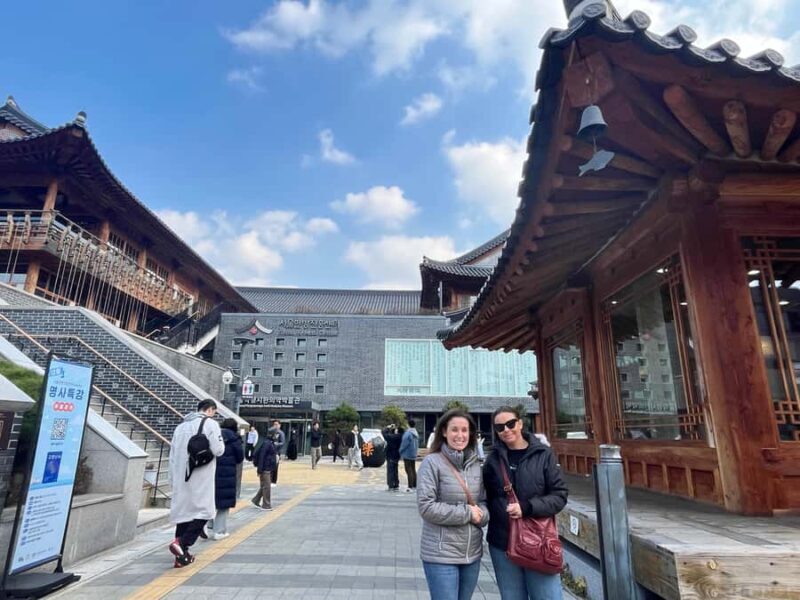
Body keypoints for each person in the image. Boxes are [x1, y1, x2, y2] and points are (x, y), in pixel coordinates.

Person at [483, 406, 568, 600]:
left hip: (539, 541)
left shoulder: (543, 454)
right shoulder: (493, 460)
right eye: (500, 427)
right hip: (502, 541)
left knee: (548, 596)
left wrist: (528, 507)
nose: (506, 429)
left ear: (520, 423)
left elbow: (559, 495)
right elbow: (484, 495)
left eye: (511, 424)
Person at [417, 409, 488, 600]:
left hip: (471, 553)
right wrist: (467, 513)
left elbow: (482, 502)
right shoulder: (432, 463)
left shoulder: (476, 464)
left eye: (465, 430)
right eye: (454, 430)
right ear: (444, 432)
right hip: (441, 554)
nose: (460, 435)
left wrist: (483, 515)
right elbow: (426, 507)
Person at [168, 399, 224, 568]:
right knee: (205, 511)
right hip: (200, 474)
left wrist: (172, 479)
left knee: (184, 514)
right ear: (210, 410)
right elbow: (218, 450)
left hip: (180, 475)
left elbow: (172, 454)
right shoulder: (211, 424)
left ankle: (181, 557)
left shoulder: (180, 427)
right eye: (214, 411)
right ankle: (182, 543)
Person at [211, 418, 244, 540]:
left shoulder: (214, 434)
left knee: (211, 500)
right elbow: (240, 457)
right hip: (228, 473)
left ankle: (207, 526)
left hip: (212, 471)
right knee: (224, 504)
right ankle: (219, 531)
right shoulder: (235, 439)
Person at [251, 432, 277, 510]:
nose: (277, 436)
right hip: (265, 468)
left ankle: (256, 500)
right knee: (267, 486)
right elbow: (262, 456)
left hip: (267, 467)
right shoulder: (267, 443)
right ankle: (266, 504)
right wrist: (259, 470)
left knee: (264, 486)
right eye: (276, 435)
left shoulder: (270, 443)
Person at [400, 418, 420, 491]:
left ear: (408, 425)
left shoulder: (408, 433)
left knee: (408, 469)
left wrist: (400, 451)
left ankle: (410, 485)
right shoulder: (416, 433)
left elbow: (404, 443)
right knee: (413, 469)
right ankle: (415, 484)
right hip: (413, 453)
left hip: (407, 453)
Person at [382, 424, 403, 491]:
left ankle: (391, 485)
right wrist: (392, 430)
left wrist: (387, 427)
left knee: (390, 470)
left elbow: (384, 433)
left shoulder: (394, 437)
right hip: (397, 455)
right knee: (395, 470)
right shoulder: (401, 436)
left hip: (391, 455)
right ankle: (396, 484)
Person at [268, 420, 285, 485]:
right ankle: (269, 480)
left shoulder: (281, 433)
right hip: (270, 451)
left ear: (279, 425)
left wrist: (276, 444)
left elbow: (282, 443)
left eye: (277, 424)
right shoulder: (271, 432)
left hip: (277, 452)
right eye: (274, 424)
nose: (275, 425)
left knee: (275, 466)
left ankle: (273, 481)